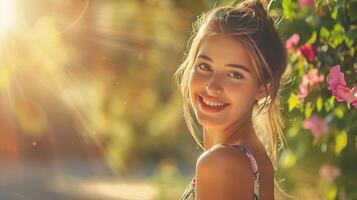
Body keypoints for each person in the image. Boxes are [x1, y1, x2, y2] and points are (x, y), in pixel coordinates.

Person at [173, 0, 292, 199]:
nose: (212, 86)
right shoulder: (255, 159)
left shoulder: (220, 163)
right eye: (204, 66)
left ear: (262, 88)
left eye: (235, 74)